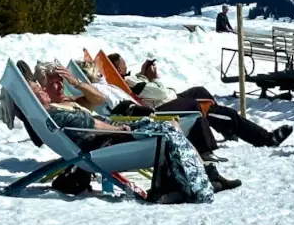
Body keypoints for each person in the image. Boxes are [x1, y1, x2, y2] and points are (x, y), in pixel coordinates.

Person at [17, 64, 228, 200]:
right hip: (107, 142)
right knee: (168, 129)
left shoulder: (68, 103)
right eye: (52, 85)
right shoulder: (56, 113)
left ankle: (194, 178)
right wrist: (119, 129)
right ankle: (194, 181)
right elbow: (91, 125)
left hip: (113, 136)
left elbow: (99, 100)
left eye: (60, 82)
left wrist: (76, 82)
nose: (60, 87)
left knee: (171, 126)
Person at [113, 54, 293, 149]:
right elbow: (159, 92)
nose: (125, 64)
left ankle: (223, 124)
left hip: (172, 99)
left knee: (200, 91)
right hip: (165, 106)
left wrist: (144, 75)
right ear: (118, 68)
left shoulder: (131, 80)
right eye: (122, 63)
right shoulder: (130, 81)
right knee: (227, 114)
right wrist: (152, 77)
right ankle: (265, 139)